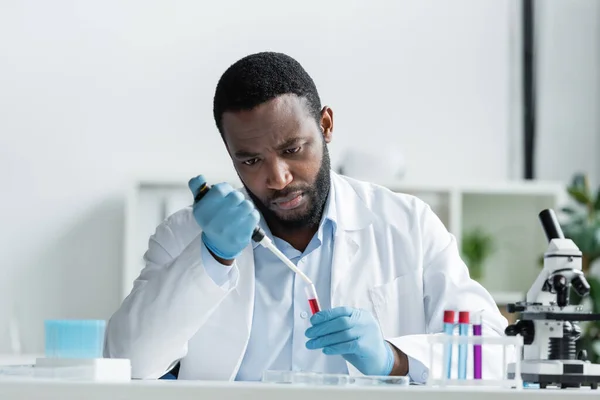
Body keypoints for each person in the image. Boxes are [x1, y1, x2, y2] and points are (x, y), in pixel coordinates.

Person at [104, 51, 508, 382]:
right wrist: (211, 257)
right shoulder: (186, 235)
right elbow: (127, 362)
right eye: (251, 160)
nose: (278, 178)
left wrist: (393, 358)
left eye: (293, 149)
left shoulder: (407, 225)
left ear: (326, 125)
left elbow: (492, 353)